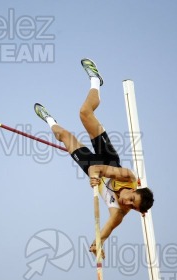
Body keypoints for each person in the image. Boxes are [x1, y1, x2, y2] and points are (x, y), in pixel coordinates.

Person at [34, 58, 154, 258]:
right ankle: (95, 81)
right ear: (134, 190)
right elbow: (98, 170)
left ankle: (49, 119)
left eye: (132, 207)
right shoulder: (127, 176)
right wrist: (93, 175)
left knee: (63, 135)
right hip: (107, 159)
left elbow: (104, 232)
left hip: (93, 169)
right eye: (132, 199)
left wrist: (97, 244)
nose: (127, 203)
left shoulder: (118, 215)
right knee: (84, 113)